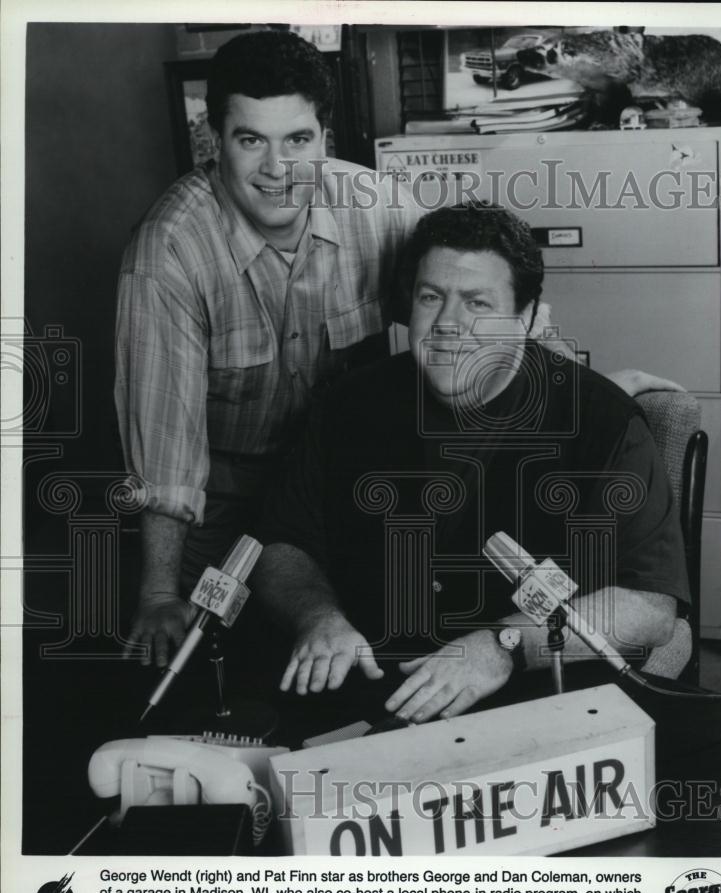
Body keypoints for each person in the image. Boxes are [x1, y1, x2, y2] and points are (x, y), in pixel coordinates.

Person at [115, 28, 680, 672]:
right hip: (219, 499)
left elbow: (475, 278)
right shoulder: (168, 255)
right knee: (225, 671)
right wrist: (159, 593)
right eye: (251, 140)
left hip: (341, 474)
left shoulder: (376, 207)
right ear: (215, 141)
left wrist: (579, 392)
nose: (277, 169)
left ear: (324, 138)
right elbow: (165, 452)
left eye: (297, 139)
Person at [255, 204, 690, 726]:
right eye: (430, 297)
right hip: (373, 685)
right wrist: (317, 616)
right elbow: (283, 543)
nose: (447, 326)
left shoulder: (602, 420)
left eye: (477, 303)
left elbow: (648, 605)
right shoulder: (348, 405)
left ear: (527, 316)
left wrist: (504, 643)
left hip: (534, 689)